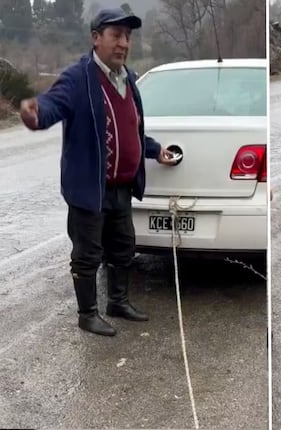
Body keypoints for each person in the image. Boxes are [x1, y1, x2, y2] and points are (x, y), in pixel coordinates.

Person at [18, 8, 177, 336]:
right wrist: (36, 114)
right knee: (88, 253)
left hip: (121, 187)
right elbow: (53, 104)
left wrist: (154, 150)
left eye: (127, 37)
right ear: (96, 38)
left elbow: (131, 129)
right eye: (116, 35)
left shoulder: (129, 78)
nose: (123, 43)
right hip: (90, 188)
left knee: (124, 247)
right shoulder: (79, 78)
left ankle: (117, 301)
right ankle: (87, 314)